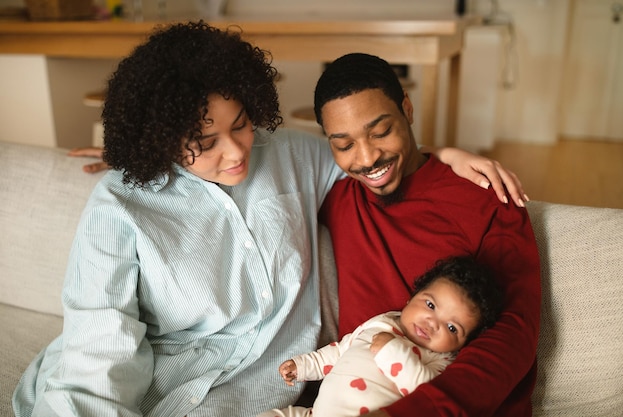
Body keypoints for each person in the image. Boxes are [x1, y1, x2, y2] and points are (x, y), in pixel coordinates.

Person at [13, 22, 526, 417]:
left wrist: (448, 154)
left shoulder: (287, 155)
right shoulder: (119, 206)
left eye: (241, 124)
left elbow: (367, 156)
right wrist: (138, 158)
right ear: (161, 136)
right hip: (156, 384)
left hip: (256, 393)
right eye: (203, 142)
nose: (237, 151)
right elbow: (98, 356)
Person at [314, 52, 541, 417]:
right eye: (344, 145)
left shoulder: (487, 198)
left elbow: (514, 334)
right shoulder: (338, 201)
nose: (368, 156)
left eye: (382, 131)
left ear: (408, 108)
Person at [257, 256, 503, 417]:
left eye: (452, 328)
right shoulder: (383, 321)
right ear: (412, 297)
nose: (433, 323)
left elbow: (423, 390)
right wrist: (303, 366)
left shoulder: (441, 360)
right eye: (430, 305)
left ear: (463, 343)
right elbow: (341, 350)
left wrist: (391, 351)